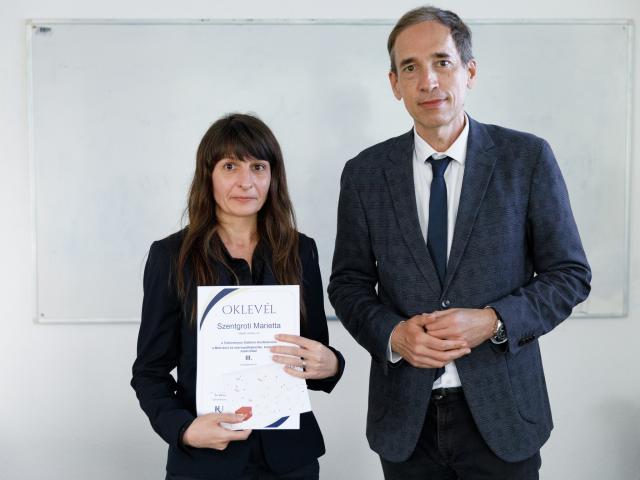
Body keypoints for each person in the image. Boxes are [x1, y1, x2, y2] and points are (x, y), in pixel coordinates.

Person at [328, 6, 591, 480]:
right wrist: (393, 335)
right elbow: (348, 283)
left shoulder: (526, 159)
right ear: (394, 84)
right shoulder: (365, 174)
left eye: (442, 62)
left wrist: (493, 321)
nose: (428, 81)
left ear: (469, 71)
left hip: (504, 415)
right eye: (410, 67)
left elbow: (569, 275)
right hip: (405, 422)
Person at [132, 113, 344, 480]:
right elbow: (149, 372)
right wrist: (184, 430)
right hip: (206, 463)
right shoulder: (171, 256)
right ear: (208, 175)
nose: (246, 182)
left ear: (273, 177)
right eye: (230, 166)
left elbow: (312, 355)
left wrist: (332, 364)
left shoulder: (300, 250)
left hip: (290, 462)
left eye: (258, 167)